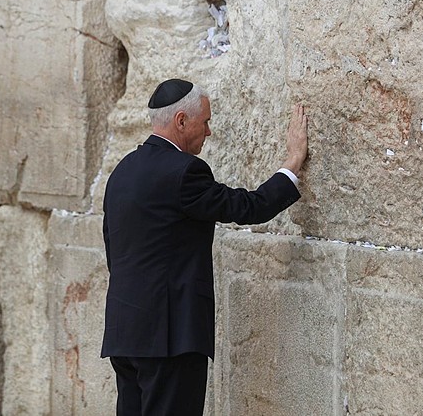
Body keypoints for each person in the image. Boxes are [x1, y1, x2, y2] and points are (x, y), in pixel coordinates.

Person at [101, 78, 308, 416]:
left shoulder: (122, 172)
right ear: (181, 120)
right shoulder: (184, 172)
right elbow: (248, 207)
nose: (209, 132)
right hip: (169, 337)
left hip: (126, 334)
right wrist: (293, 161)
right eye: (205, 121)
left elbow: (114, 248)